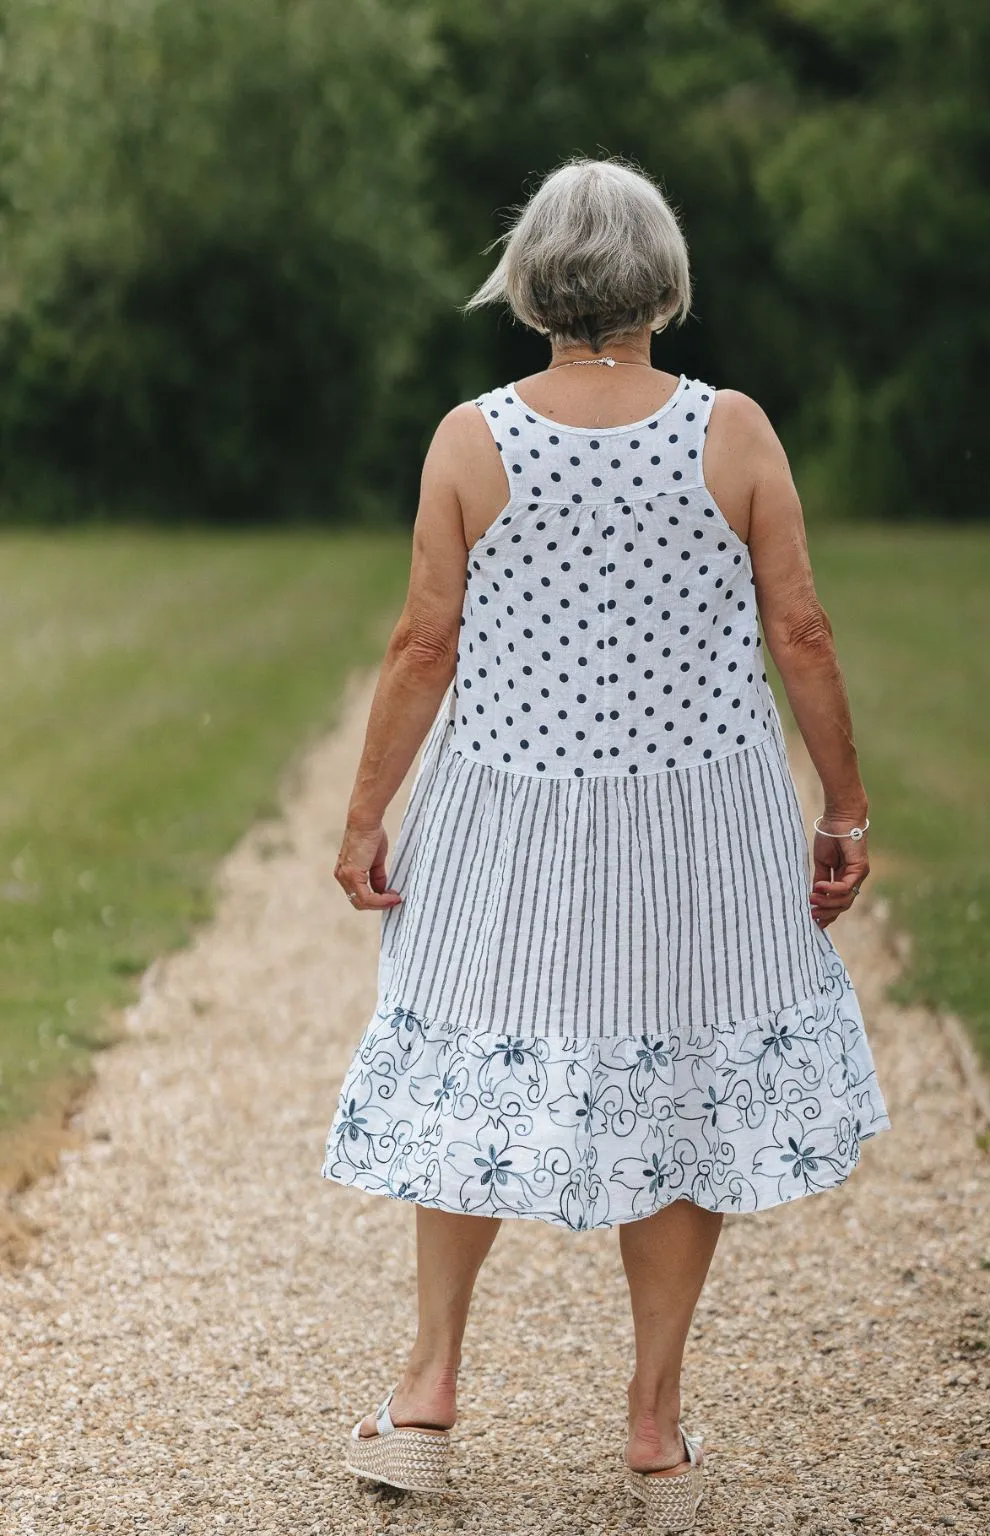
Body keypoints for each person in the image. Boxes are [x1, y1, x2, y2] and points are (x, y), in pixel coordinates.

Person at [322, 156, 891, 1531]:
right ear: (662, 280)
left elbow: (423, 642)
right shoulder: (732, 431)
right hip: (698, 817)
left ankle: (426, 1393)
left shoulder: (473, 438)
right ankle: (651, 1426)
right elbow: (799, 630)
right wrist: (844, 807)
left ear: (533, 283)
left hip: (509, 808)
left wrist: (363, 812)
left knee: (473, 1077)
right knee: (683, 1090)